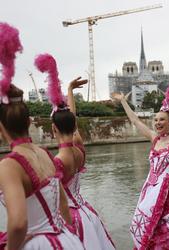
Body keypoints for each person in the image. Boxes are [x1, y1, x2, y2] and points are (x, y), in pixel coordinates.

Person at [0, 23, 84, 250]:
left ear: (1, 128)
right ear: (29, 122)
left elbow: (18, 224)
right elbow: (63, 206)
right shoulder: (45, 154)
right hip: (66, 238)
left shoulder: (9, 165)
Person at [34, 53, 115, 250]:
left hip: (70, 219)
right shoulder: (79, 148)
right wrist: (69, 91)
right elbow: (73, 119)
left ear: (53, 129)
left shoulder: (58, 161)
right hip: (86, 214)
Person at [112, 82, 169, 249]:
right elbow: (134, 120)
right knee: (148, 228)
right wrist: (124, 101)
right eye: (155, 120)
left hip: (167, 194)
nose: (158, 122)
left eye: (162, 120)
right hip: (149, 191)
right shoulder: (154, 138)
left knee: (166, 231)